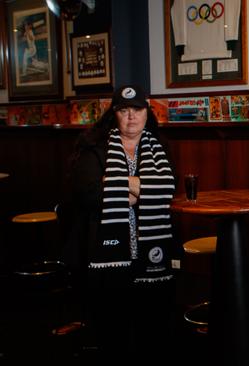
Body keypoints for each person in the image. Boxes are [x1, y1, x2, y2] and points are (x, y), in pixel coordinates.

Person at [62, 85, 177, 362]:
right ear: (114, 114)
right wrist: (141, 191)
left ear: (146, 113)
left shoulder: (158, 147)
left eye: (137, 109)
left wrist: (122, 185)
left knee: (152, 332)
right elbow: (88, 193)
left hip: (150, 254)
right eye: (124, 110)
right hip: (106, 256)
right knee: (114, 334)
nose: (131, 117)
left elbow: (167, 189)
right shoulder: (93, 147)